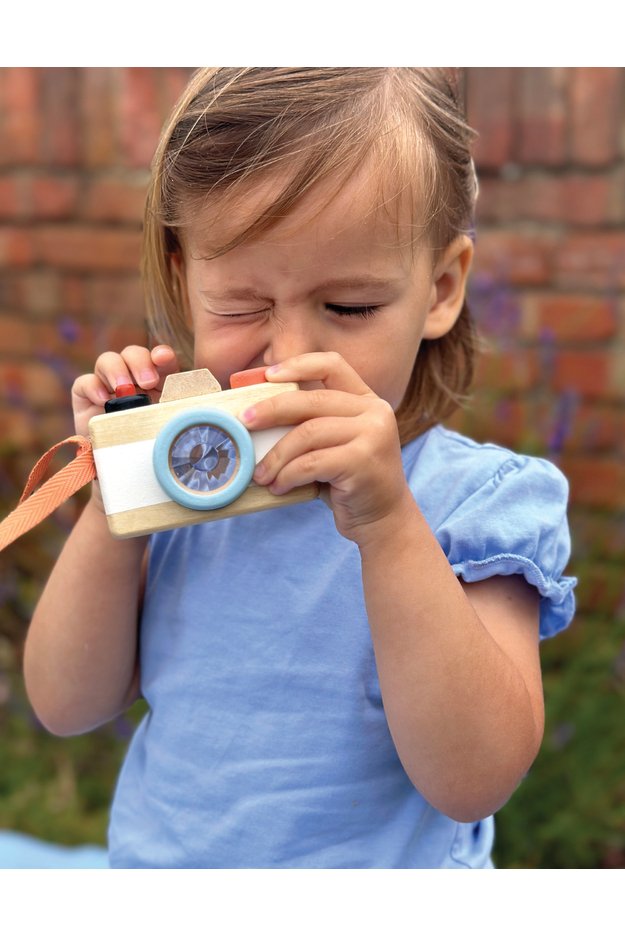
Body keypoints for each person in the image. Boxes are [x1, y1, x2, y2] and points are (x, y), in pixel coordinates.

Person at [22, 67, 576, 869]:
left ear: (441, 288)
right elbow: (65, 703)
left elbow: (473, 778)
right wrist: (121, 498)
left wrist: (387, 525)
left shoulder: (477, 503)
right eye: (241, 306)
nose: (290, 353)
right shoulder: (186, 478)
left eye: (348, 307)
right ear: (185, 278)